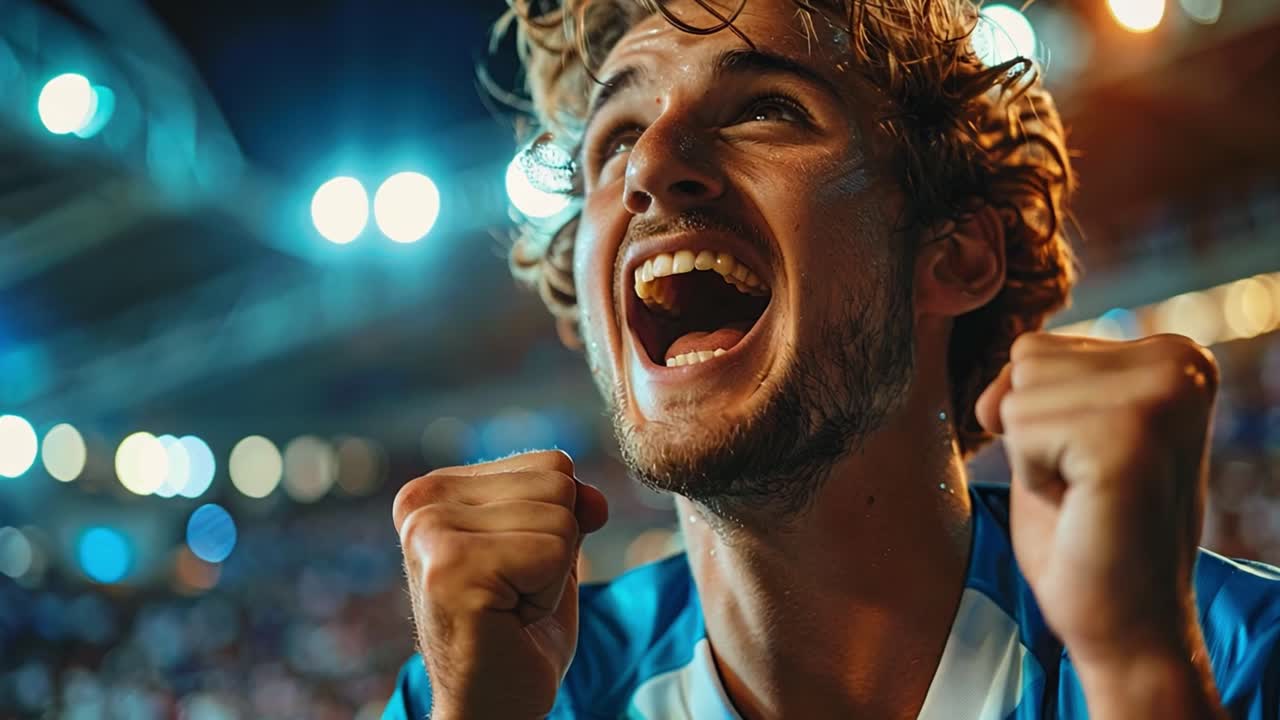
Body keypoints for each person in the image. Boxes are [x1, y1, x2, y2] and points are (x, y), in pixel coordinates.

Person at [384, 0, 1280, 717]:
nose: (649, 164)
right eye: (616, 138)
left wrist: (1138, 677)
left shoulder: (1231, 657)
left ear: (954, 256)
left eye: (767, 109)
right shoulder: (489, 691)